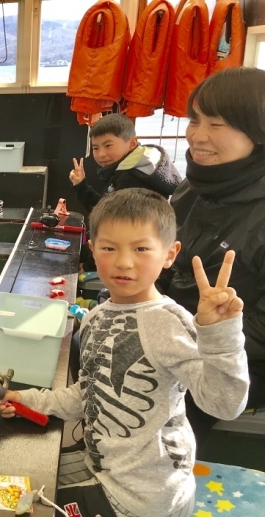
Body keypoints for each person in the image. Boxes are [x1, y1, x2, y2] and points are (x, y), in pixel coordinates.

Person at [0, 188, 249, 517]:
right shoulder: (97, 317)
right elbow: (86, 395)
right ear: (92, 249)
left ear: (169, 254)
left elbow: (225, 404)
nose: (124, 262)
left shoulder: (170, 322)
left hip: (145, 498)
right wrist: (23, 398)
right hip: (105, 467)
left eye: (141, 249)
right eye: (109, 248)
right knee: (6, 483)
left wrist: (220, 333)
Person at [157, 66, 265, 442]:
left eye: (216, 124)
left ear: (258, 132)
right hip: (176, 336)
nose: (197, 136)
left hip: (236, 360)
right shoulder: (190, 189)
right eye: (194, 120)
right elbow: (165, 266)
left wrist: (189, 342)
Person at [69, 113, 181, 214]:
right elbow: (106, 209)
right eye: (95, 148)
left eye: (108, 145)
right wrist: (81, 186)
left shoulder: (131, 177)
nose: (101, 154)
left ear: (132, 143)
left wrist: (81, 187)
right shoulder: (134, 167)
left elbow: (108, 216)